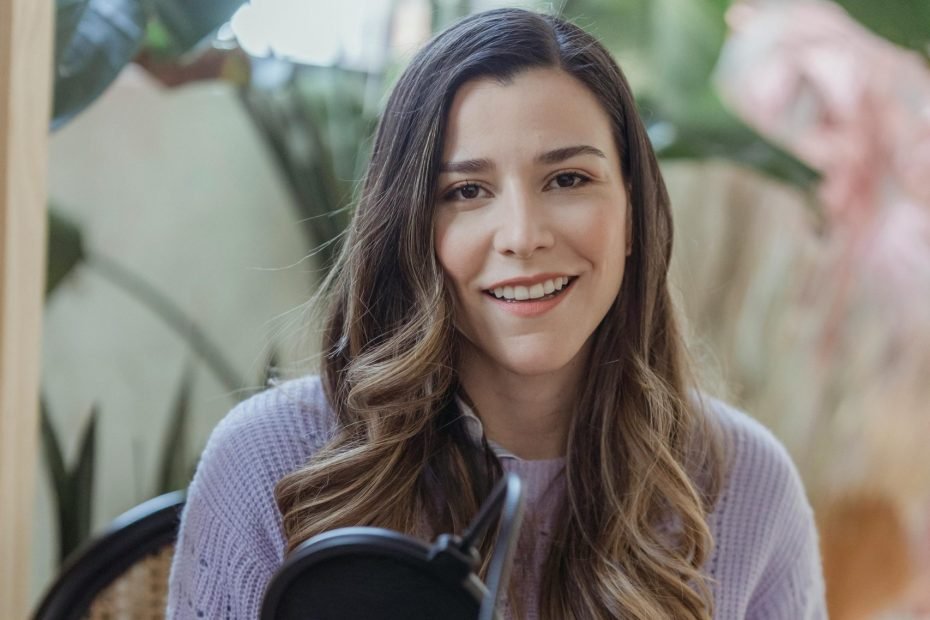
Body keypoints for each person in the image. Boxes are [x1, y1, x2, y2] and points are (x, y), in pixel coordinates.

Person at [166, 7, 826, 619]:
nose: (521, 234)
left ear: (633, 212)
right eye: (466, 191)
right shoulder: (267, 464)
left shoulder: (746, 484)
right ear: (410, 231)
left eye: (568, 179)